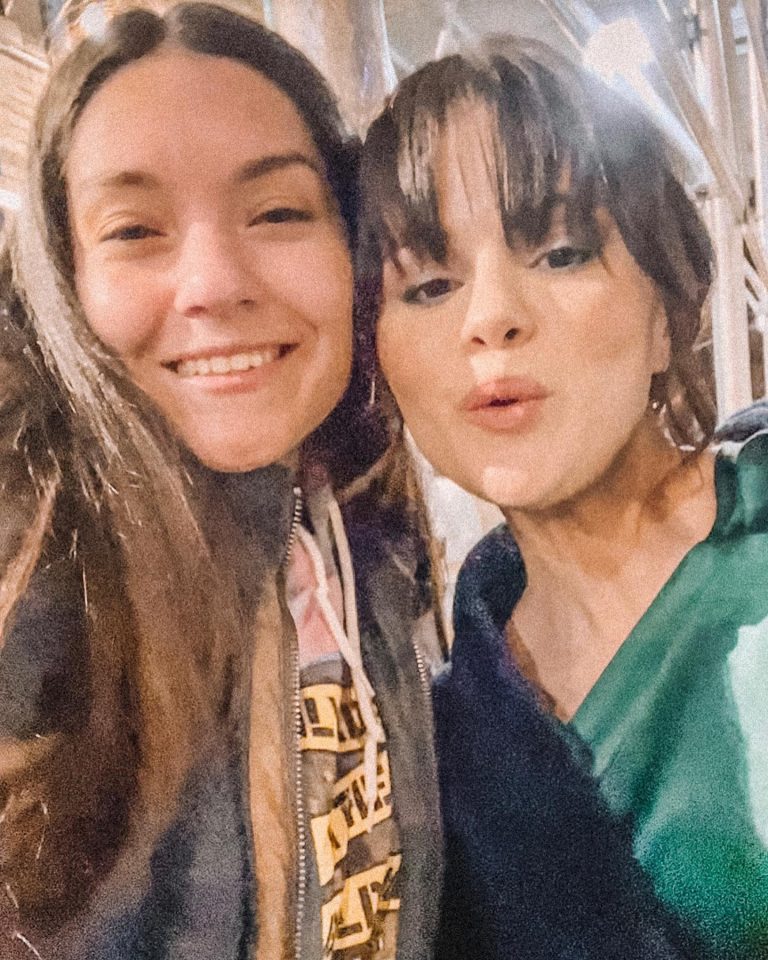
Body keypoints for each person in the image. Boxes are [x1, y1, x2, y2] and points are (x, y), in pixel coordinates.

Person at [0, 5, 443, 957]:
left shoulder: (363, 529)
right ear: (65, 277)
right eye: (134, 230)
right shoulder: (31, 568)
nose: (213, 283)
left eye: (278, 212)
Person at [358, 35, 768, 960]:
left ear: (668, 312)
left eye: (560, 253)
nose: (490, 318)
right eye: (430, 284)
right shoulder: (444, 765)